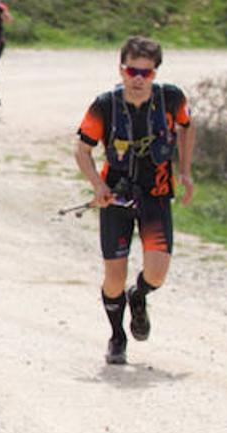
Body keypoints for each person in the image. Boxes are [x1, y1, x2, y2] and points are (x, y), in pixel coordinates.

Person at [74, 35, 195, 365]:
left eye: (147, 73)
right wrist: (98, 186)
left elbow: (186, 126)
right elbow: (82, 150)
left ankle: (138, 297)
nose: (139, 79)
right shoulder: (105, 105)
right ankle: (117, 337)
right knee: (114, 276)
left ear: (155, 73)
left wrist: (185, 171)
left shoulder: (171, 99)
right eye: (132, 71)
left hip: (156, 196)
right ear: (121, 70)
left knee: (156, 274)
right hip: (116, 199)